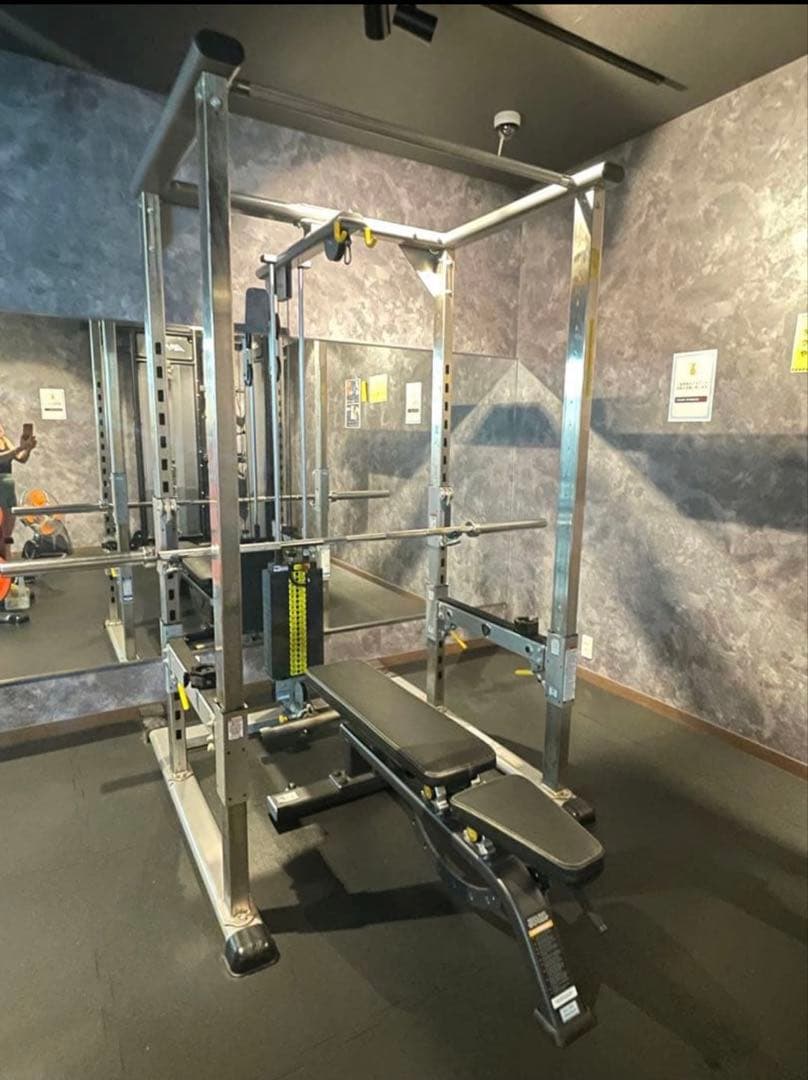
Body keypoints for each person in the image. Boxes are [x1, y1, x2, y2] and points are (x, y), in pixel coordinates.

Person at [0, 420, 37, 561]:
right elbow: (2, 458)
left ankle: (7, 560)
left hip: (8, 487)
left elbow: (21, 459)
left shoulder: (5, 441)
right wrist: (20, 447)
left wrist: (28, 449)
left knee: (7, 529)